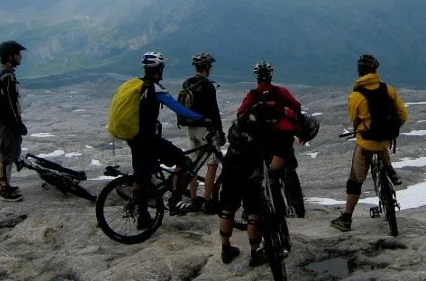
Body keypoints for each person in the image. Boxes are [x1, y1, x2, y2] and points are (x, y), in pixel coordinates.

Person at [217, 61, 302, 266]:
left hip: (235, 157)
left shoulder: (252, 97)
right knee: (254, 208)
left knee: (228, 206)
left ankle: (226, 249)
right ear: (271, 76)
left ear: (257, 78)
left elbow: (239, 115)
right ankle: (256, 253)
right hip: (257, 158)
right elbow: (296, 107)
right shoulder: (281, 102)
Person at [331, 53, 408, 232]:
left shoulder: (356, 96)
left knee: (354, 181)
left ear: (360, 72)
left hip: (366, 143)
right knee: (381, 143)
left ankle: (346, 219)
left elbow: (354, 121)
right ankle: (390, 171)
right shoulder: (389, 90)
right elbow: (402, 114)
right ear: (375, 71)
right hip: (385, 139)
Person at [129, 51, 202, 229]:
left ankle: (142, 217)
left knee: (141, 177)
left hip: (134, 137)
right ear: (159, 69)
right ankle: (174, 200)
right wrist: (199, 118)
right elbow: (177, 107)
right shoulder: (154, 88)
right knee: (184, 161)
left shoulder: (136, 85)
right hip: (149, 139)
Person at [177, 52, 225, 213]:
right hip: (205, 129)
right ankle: (207, 200)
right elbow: (214, 110)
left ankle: (193, 199)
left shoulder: (186, 83)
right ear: (207, 67)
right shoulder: (207, 85)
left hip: (190, 128)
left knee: (192, 164)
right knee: (212, 163)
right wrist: (220, 132)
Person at [0, 40, 28, 202]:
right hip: (7, 123)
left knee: (4, 154)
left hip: (1, 121)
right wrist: (17, 122)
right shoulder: (7, 76)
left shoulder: (1, 73)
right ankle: (5, 190)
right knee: (5, 156)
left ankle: (6, 186)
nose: (20, 57)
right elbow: (10, 102)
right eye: (18, 54)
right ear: (9, 56)